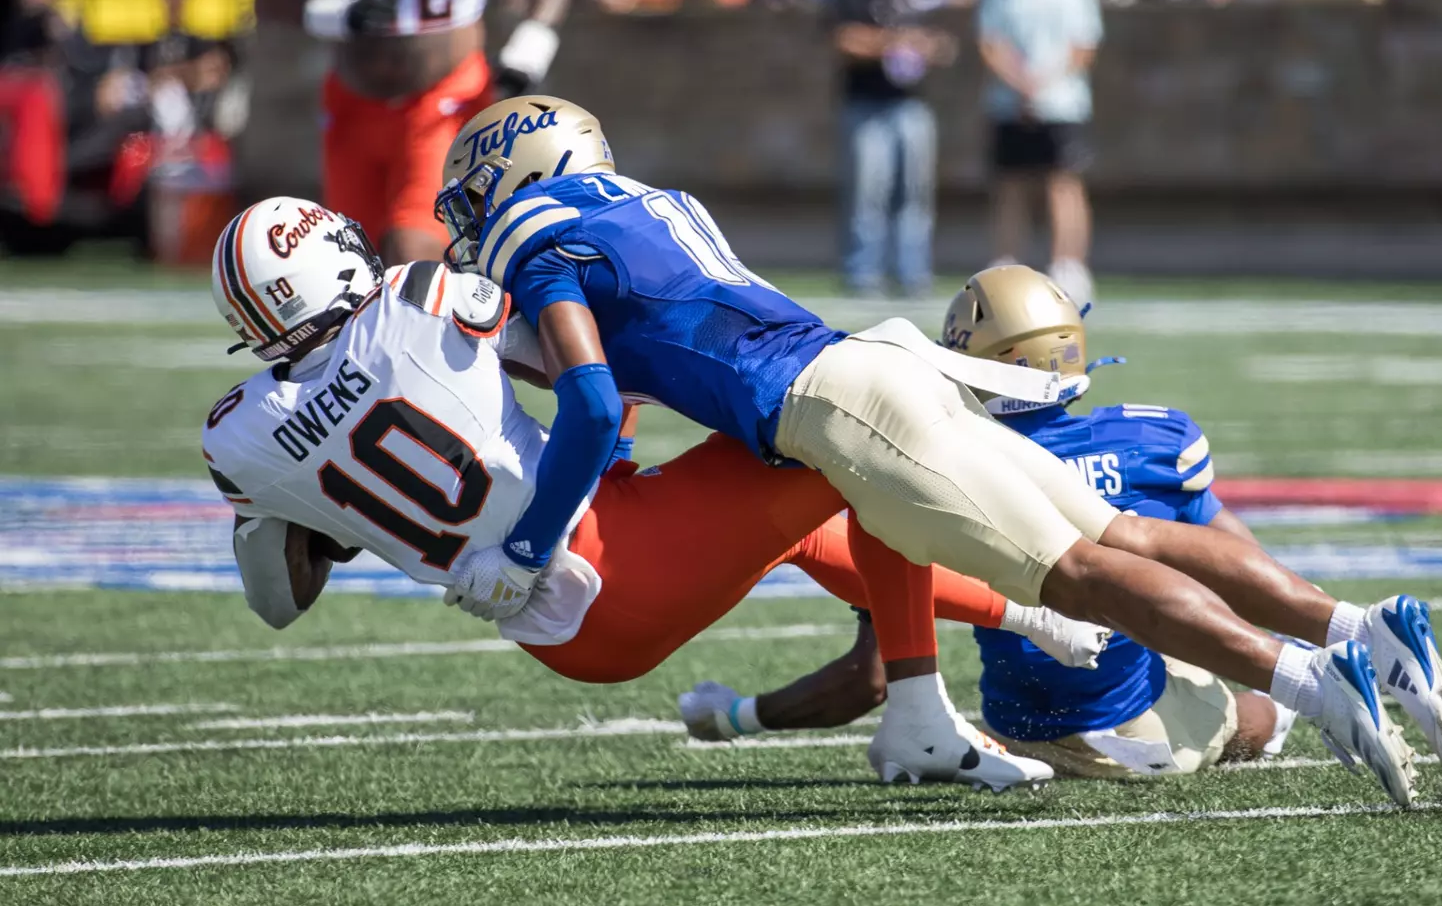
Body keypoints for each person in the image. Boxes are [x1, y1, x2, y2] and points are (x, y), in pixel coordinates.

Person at [432, 95, 1442, 804]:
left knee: (1082, 574)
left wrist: (523, 552)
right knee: (1117, 529)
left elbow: (591, 395)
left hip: (838, 405)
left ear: (515, 171)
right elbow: (664, 345)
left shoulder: (534, 225)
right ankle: (1363, 627)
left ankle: (1312, 681)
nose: (472, 218)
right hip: (861, 367)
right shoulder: (653, 202)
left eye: (474, 194)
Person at [203, 196, 1084, 790]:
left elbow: (280, 597)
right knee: (846, 443)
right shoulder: (418, 294)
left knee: (785, 520)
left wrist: (330, 514)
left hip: (557, 636)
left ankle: (1024, 624)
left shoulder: (234, 435)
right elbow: (578, 376)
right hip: (606, 560)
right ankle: (929, 712)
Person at [679, 267, 1320, 777]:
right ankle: (1304, 678)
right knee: (1248, 709)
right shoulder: (1154, 439)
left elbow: (868, 680)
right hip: (1142, 732)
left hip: (1020, 731)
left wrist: (735, 716)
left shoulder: (933, 463)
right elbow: (1245, 568)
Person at [252, 0, 575, 267]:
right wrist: (333, 13)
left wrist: (533, 43)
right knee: (353, 260)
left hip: (446, 101)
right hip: (353, 105)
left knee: (415, 250)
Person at [831, 0, 959, 298]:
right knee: (868, 192)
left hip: (910, 104)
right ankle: (863, 272)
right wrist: (893, 43)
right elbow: (844, 39)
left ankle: (913, 273)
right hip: (865, 104)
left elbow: (946, 45)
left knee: (916, 194)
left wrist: (927, 46)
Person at [977, 0, 1100, 308]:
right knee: (1010, 185)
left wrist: (1042, 86)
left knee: (1063, 184)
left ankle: (1068, 267)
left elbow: (1083, 48)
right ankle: (1005, 266)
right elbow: (991, 43)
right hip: (1010, 104)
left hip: (1061, 104)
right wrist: (1020, 85)